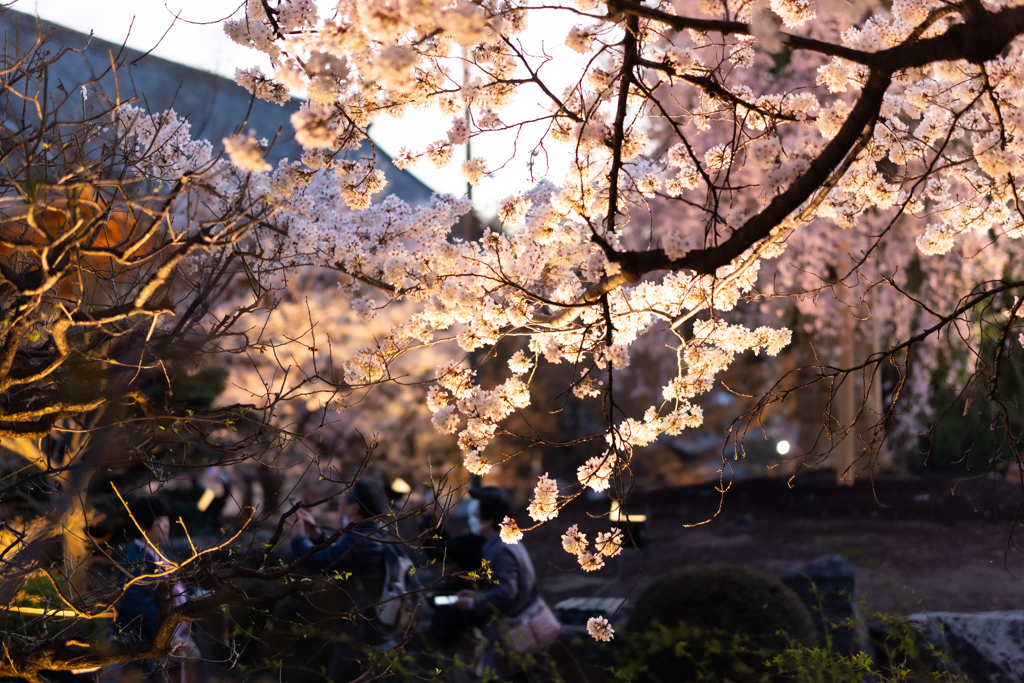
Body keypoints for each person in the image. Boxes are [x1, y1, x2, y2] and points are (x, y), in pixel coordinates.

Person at [290, 479, 413, 681]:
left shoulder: (358, 540)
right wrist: (317, 534)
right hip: (377, 632)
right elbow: (340, 559)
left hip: (359, 638)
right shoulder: (377, 532)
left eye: (343, 501)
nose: (340, 505)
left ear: (354, 507)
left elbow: (318, 562)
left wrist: (298, 537)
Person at [454, 486, 554, 679]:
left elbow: (506, 592)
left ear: (489, 520)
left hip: (516, 634)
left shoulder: (500, 549)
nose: (470, 520)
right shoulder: (506, 541)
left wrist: (474, 603)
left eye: (475, 515)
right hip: (521, 630)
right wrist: (477, 595)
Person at [113, 496, 200, 683]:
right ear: (145, 525)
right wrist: (167, 636)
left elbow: (182, 589)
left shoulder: (163, 554)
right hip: (149, 639)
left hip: (176, 632)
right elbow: (140, 608)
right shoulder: (135, 561)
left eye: (167, 521)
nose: (167, 525)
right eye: (161, 521)